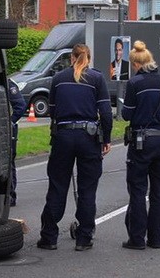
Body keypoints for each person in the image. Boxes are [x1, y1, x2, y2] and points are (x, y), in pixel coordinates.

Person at [37, 43, 112, 251]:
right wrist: (105, 138)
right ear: (89, 57)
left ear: (71, 57)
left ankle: (49, 236)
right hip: (88, 137)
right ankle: (84, 238)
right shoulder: (96, 79)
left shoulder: (58, 78)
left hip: (63, 136)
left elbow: (52, 111)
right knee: (87, 189)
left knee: (58, 186)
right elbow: (105, 112)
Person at [120, 41, 160, 249]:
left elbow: (127, 114)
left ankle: (137, 239)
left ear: (136, 64)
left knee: (137, 191)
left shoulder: (136, 83)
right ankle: (156, 239)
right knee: (159, 193)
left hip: (142, 142)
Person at [7, 78, 28, 204]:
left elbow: (20, 106)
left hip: (7, 131)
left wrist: (10, 122)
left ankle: (10, 195)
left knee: (9, 162)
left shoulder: (8, 83)